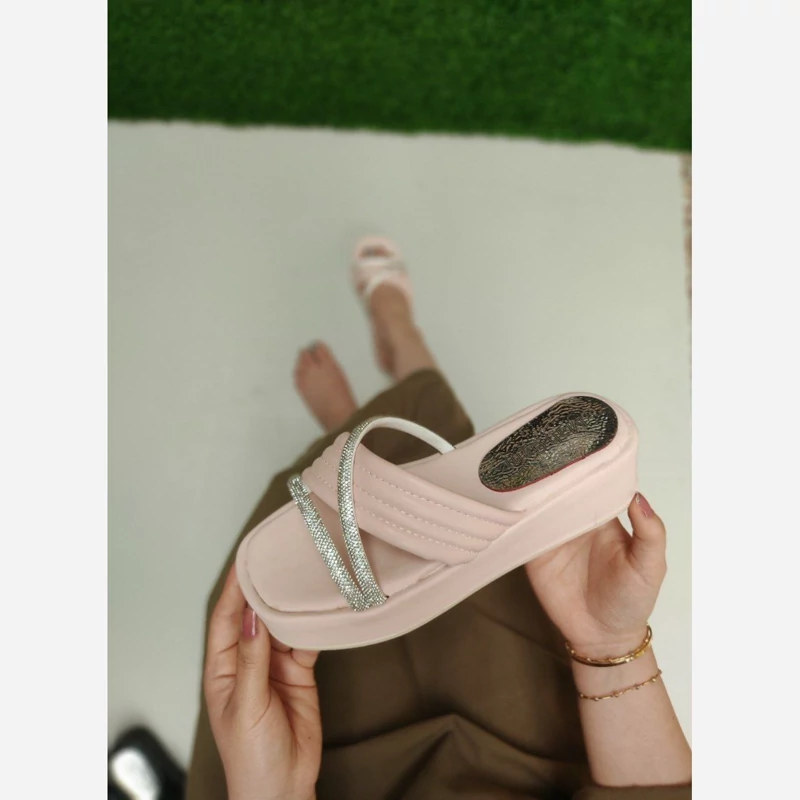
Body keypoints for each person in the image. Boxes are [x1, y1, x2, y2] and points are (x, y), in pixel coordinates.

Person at [187, 243, 692, 800]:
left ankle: (354, 423)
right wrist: (609, 642)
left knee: (253, 642)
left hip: (349, 775)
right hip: (522, 757)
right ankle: (402, 339)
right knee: (428, 452)